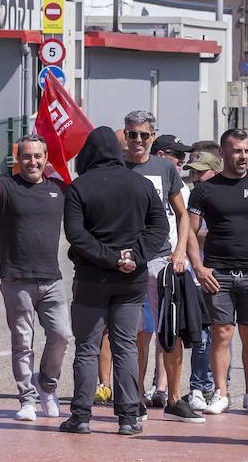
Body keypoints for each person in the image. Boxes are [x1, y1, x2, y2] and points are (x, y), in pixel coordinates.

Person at [58, 126, 169, 436]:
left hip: (93, 279)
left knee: (88, 348)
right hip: (131, 280)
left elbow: (76, 235)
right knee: (125, 348)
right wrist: (134, 256)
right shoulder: (142, 184)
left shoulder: (80, 187)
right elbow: (159, 228)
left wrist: (109, 258)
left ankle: (80, 416)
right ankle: (128, 417)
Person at [185, 129, 248, 415]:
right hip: (219, 275)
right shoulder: (205, 190)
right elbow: (189, 232)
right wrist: (199, 268)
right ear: (223, 155)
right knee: (222, 334)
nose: (243, 156)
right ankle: (220, 392)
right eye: (237, 151)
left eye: (246, 151)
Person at [0, 135, 71, 422]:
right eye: (27, 156)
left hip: (51, 279)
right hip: (16, 278)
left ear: (46, 159)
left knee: (62, 336)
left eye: (38, 156)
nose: (32, 161)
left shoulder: (58, 189)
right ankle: (27, 399)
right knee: (23, 342)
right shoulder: (7, 185)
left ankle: (47, 387)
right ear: (19, 160)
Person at [120, 110, 197, 423]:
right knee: (136, 333)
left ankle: (174, 397)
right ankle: (135, 398)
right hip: (128, 260)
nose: (138, 140)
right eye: (132, 134)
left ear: (153, 136)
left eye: (144, 134)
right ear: (124, 135)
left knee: (171, 331)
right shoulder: (117, 165)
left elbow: (182, 215)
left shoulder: (165, 167)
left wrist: (180, 253)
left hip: (162, 260)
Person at [179, 148, 220, 414]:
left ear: (215, 171)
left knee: (220, 333)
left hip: (220, 272)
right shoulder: (194, 196)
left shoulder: (220, 196)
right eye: (192, 172)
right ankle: (199, 385)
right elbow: (190, 232)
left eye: (200, 172)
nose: (195, 177)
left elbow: (210, 233)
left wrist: (197, 235)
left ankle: (216, 385)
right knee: (200, 334)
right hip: (197, 273)